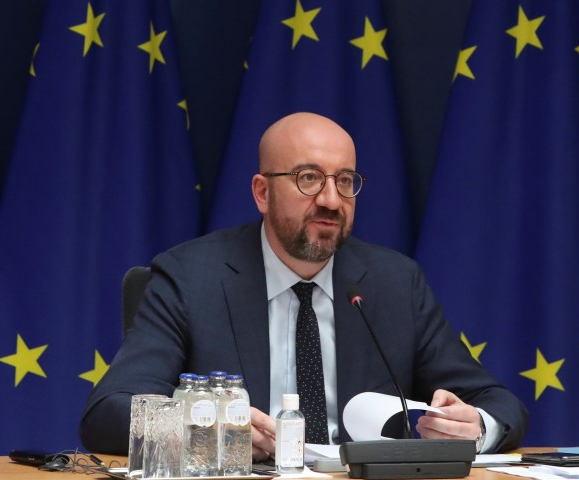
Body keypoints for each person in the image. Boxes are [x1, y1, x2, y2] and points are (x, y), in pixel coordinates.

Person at [79, 112, 528, 459]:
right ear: (262, 192)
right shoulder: (190, 277)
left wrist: (477, 427)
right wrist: (208, 429)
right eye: (308, 178)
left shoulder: (395, 283)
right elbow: (108, 413)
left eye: (345, 181)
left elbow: (496, 402)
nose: (331, 200)